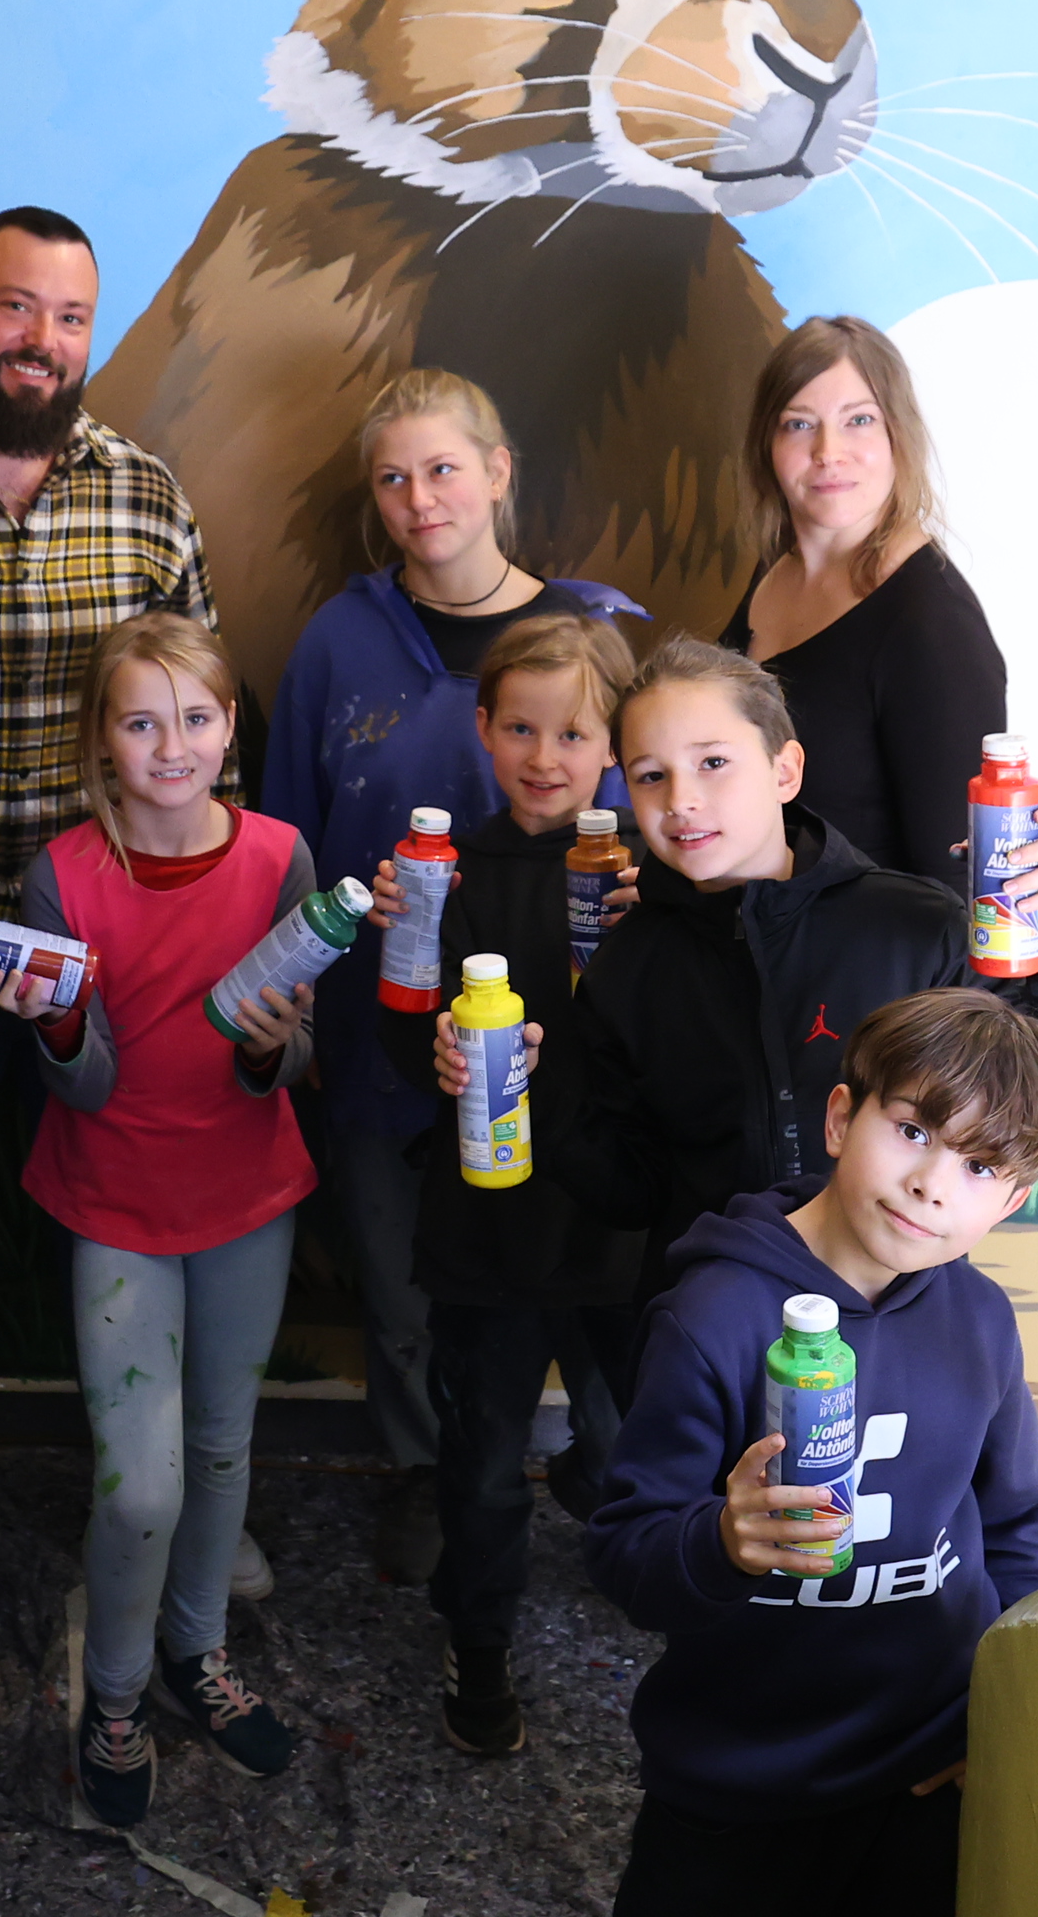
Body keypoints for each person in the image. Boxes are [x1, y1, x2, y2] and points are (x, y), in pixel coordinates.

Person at [583, 987, 1038, 1917]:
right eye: (915, 1129)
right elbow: (623, 1550)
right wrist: (718, 1541)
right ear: (843, 1118)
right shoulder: (713, 1320)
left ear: (1010, 1202)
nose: (935, 1183)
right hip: (735, 1790)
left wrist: (1007, 1721)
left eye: (980, 1168)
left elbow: (1019, 1526)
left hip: (928, 1770)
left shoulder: (981, 1318)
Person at [266, 369, 646, 1579]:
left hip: (575, 1054)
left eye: (442, 467)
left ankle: (623, 1481)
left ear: (498, 471)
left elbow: (646, 832)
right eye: (392, 476)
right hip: (391, 1034)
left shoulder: (594, 629)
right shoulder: (340, 638)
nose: (419, 498)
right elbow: (289, 833)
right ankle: (433, 1475)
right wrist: (301, 1011)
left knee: (599, 1290)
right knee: (404, 1287)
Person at [0, 611, 323, 1829]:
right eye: (140, 720)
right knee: (138, 1489)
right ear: (102, 740)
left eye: (198, 716)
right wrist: (57, 1023)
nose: (172, 744)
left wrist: (278, 1051)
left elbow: (294, 1053)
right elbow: (86, 1083)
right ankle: (113, 1693)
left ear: (230, 727)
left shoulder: (281, 856)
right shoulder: (62, 876)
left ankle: (196, 1649)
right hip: (115, 1206)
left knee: (224, 1448)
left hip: (247, 1199)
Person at [546, 641, 1038, 1274]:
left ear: (785, 770)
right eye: (651, 775)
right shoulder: (625, 969)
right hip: (708, 1318)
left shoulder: (915, 927)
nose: (680, 799)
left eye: (712, 762)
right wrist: (532, 1089)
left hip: (889, 1315)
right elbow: (630, 1193)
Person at [375, 609, 648, 1757]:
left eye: (574, 733)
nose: (546, 756)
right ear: (484, 730)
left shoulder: (641, 871)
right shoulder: (447, 872)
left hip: (616, 1218)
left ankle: (645, 1559)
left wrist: (655, 933)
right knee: (483, 1461)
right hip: (486, 1227)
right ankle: (477, 1641)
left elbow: (669, 1043)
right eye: (522, 728)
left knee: (630, 1431)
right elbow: (402, 1042)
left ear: (613, 750)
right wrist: (432, 1043)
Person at [0, 205, 220, 923]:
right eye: (16, 307)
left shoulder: (146, 498)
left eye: (72, 319)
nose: (43, 342)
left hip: (107, 926)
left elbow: (208, 727)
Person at [718, 317, 1008, 899]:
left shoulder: (932, 624)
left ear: (897, 436)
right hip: (769, 949)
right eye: (800, 424)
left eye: (859, 420)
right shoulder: (774, 572)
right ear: (768, 446)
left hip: (872, 978)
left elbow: (959, 883)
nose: (829, 452)